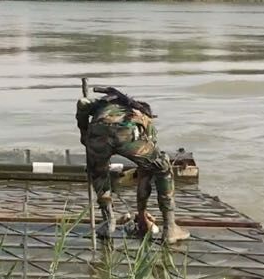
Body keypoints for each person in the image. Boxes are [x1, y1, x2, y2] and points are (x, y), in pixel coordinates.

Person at [76, 86, 190, 244]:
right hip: (127, 133)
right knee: (162, 167)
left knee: (99, 172)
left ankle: (109, 223)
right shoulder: (145, 118)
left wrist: (84, 132)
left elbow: (82, 103)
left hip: (97, 133)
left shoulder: (102, 104)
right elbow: (146, 171)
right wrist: (142, 213)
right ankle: (170, 228)